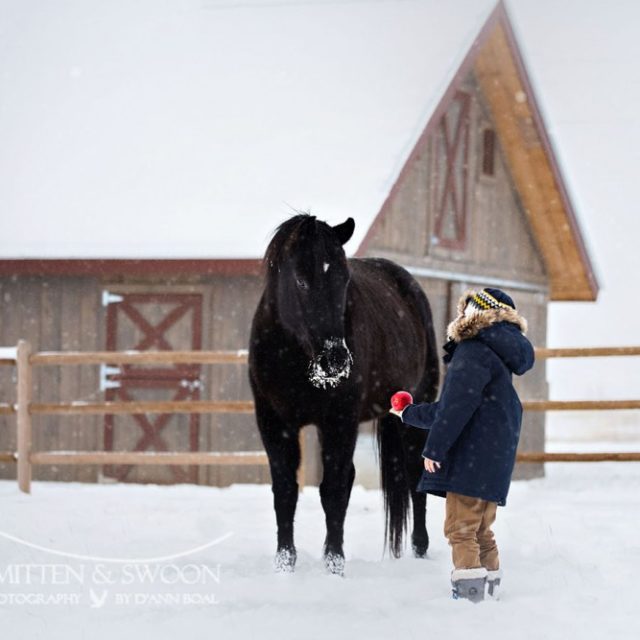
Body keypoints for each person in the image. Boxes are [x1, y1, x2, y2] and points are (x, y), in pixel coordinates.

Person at [390, 288, 535, 602]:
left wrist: (434, 449)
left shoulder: (473, 352)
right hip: (491, 461)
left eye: (465, 310)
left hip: (470, 460)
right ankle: (490, 592)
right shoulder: (497, 357)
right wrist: (408, 414)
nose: (460, 317)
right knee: (482, 530)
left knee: (461, 529)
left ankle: (471, 599)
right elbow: (454, 408)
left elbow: (456, 409)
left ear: (476, 314)